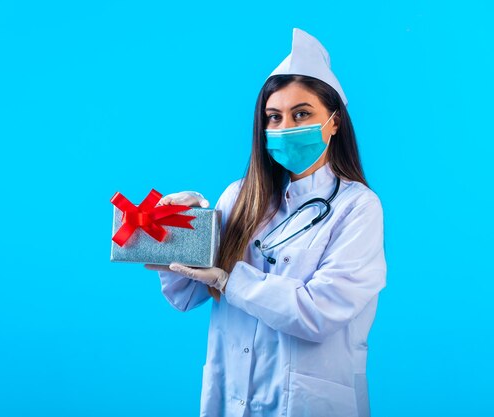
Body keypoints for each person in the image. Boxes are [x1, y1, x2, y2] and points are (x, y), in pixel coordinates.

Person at [145, 28, 387, 417]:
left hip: (308, 402)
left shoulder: (357, 208)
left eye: (302, 114)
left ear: (335, 122)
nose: (285, 128)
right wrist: (179, 232)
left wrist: (229, 279)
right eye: (274, 117)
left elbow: (318, 313)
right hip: (232, 394)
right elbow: (188, 296)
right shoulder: (239, 197)